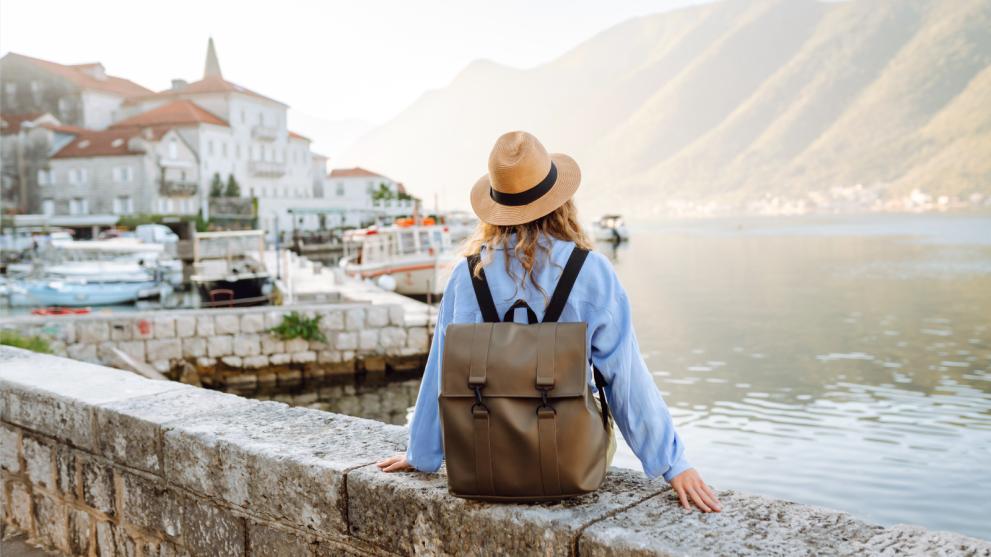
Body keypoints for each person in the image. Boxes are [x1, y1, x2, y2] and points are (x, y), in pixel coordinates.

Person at [378, 131, 721, 513]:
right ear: (560, 202)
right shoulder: (591, 272)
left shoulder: (467, 275)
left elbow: (442, 371)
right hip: (568, 459)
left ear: (495, 207)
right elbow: (624, 377)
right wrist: (673, 464)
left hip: (484, 455)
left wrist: (422, 452)